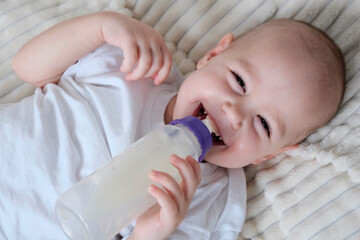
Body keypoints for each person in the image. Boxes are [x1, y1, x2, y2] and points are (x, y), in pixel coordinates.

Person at [1, 11, 344, 240]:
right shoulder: (132, 68)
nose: (235, 113)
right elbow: (28, 67)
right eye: (239, 81)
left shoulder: (211, 202)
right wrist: (102, 27)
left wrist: (150, 232)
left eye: (264, 124)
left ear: (269, 155)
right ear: (213, 55)